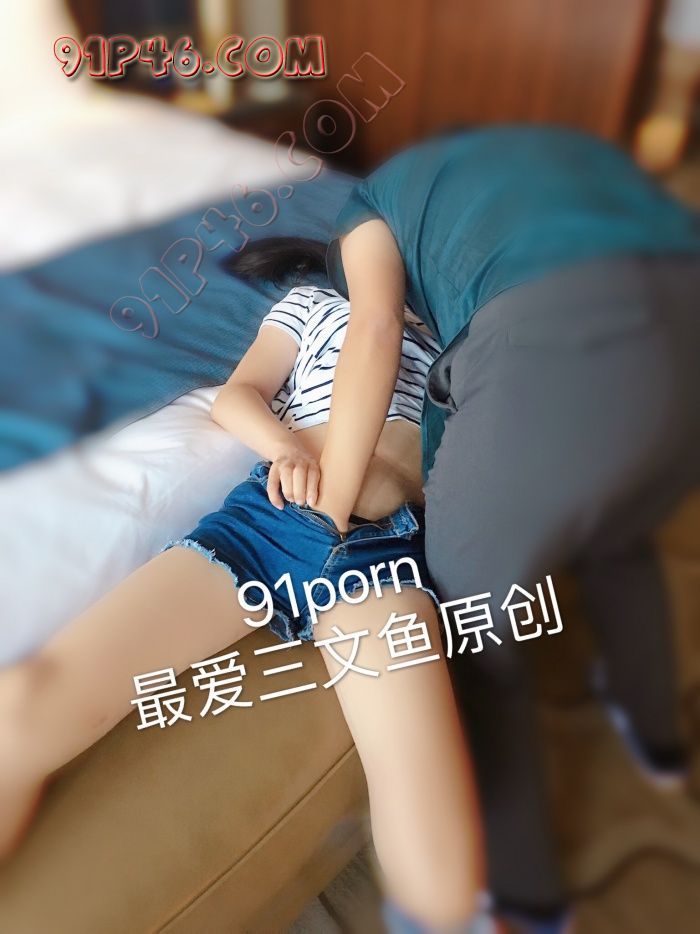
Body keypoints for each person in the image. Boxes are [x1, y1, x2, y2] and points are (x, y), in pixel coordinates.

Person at [228, 125, 700, 933]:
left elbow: (375, 331)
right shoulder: (516, 162)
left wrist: (328, 514)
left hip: (553, 337)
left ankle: (525, 893)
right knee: (617, 529)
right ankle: (659, 741)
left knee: (471, 624)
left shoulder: (365, 217)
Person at [0, 283, 498, 933]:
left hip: (388, 555)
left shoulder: (477, 330)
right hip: (266, 522)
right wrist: (283, 447)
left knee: (425, 808)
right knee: (24, 705)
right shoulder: (317, 303)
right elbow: (239, 396)